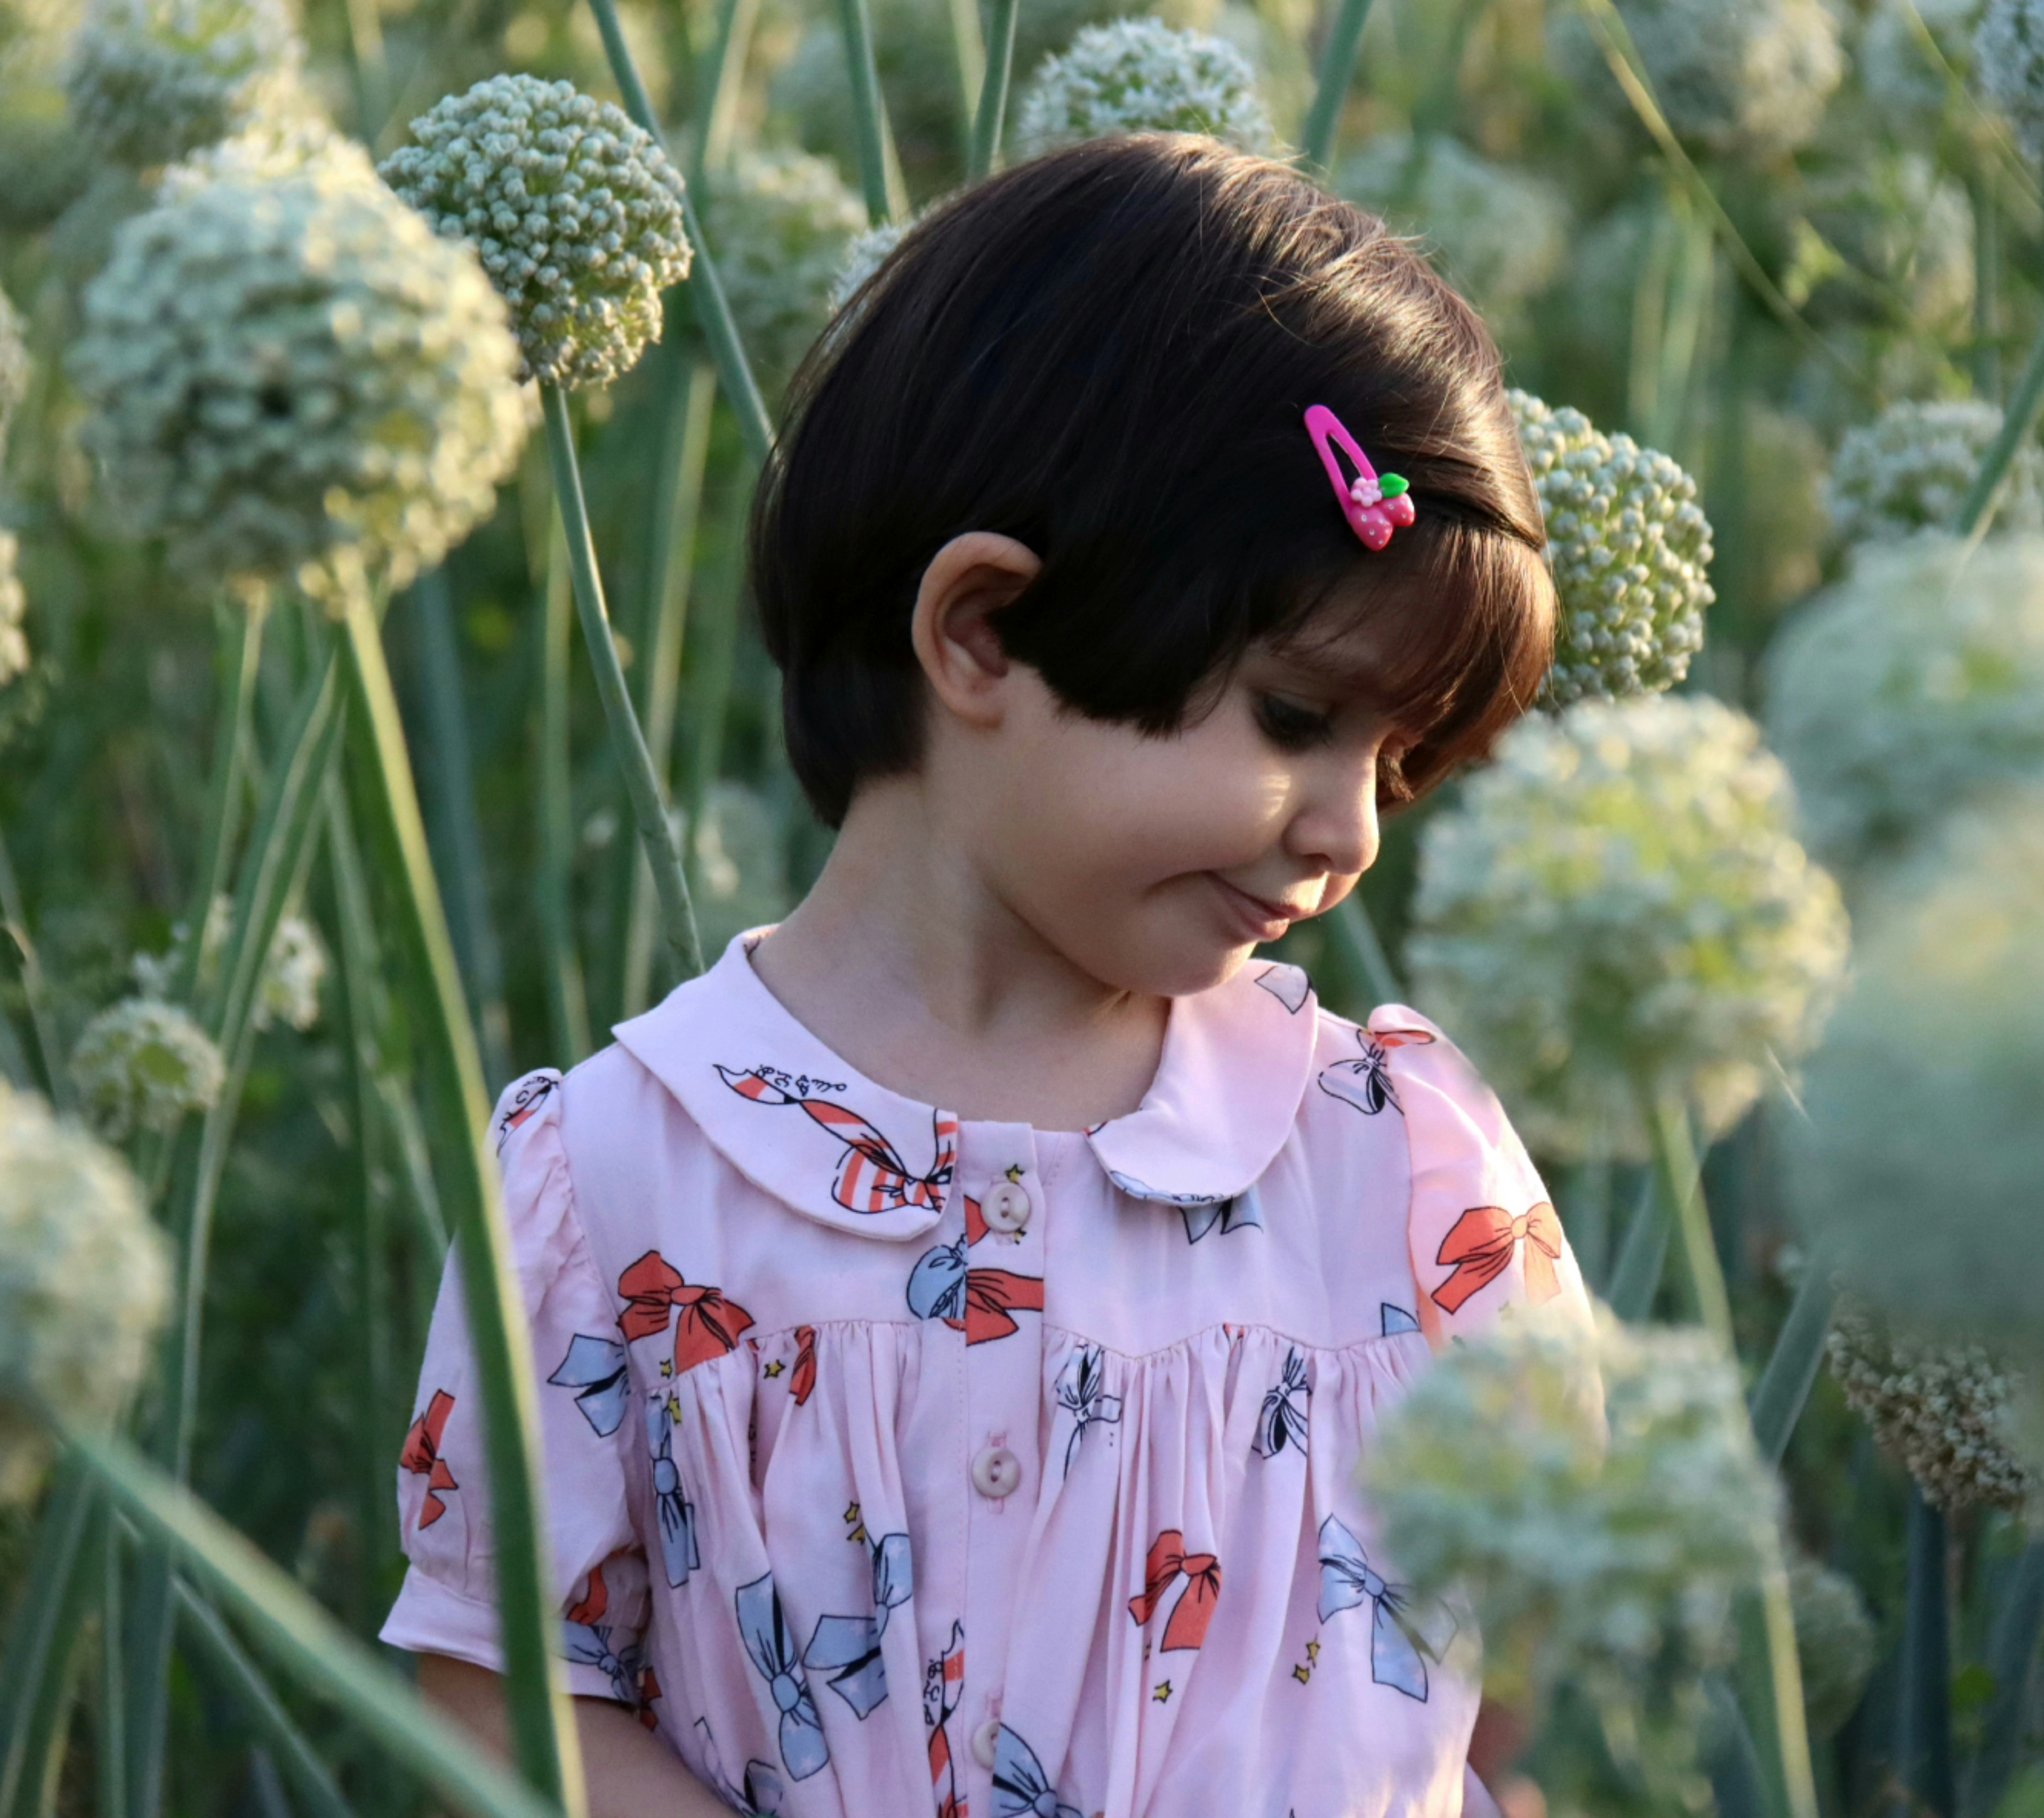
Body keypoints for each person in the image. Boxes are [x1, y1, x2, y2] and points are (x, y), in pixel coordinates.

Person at [381, 130, 1595, 1818]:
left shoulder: (1400, 1174)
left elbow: (1515, 1672)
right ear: (982, 633)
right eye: (1301, 718)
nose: (1351, 831)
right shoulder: (615, 1182)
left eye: (1400, 762)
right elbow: (501, 1686)